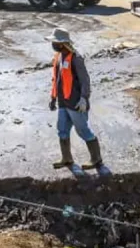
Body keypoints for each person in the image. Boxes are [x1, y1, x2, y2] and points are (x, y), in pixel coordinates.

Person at [46, 27, 108, 174]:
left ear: (62, 43)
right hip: (63, 102)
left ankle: (96, 159)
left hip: (75, 103)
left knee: (83, 131)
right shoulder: (58, 56)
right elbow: (57, 79)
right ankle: (66, 158)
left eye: (55, 42)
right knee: (62, 130)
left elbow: (85, 81)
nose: (53, 44)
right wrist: (53, 97)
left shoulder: (76, 58)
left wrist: (84, 99)